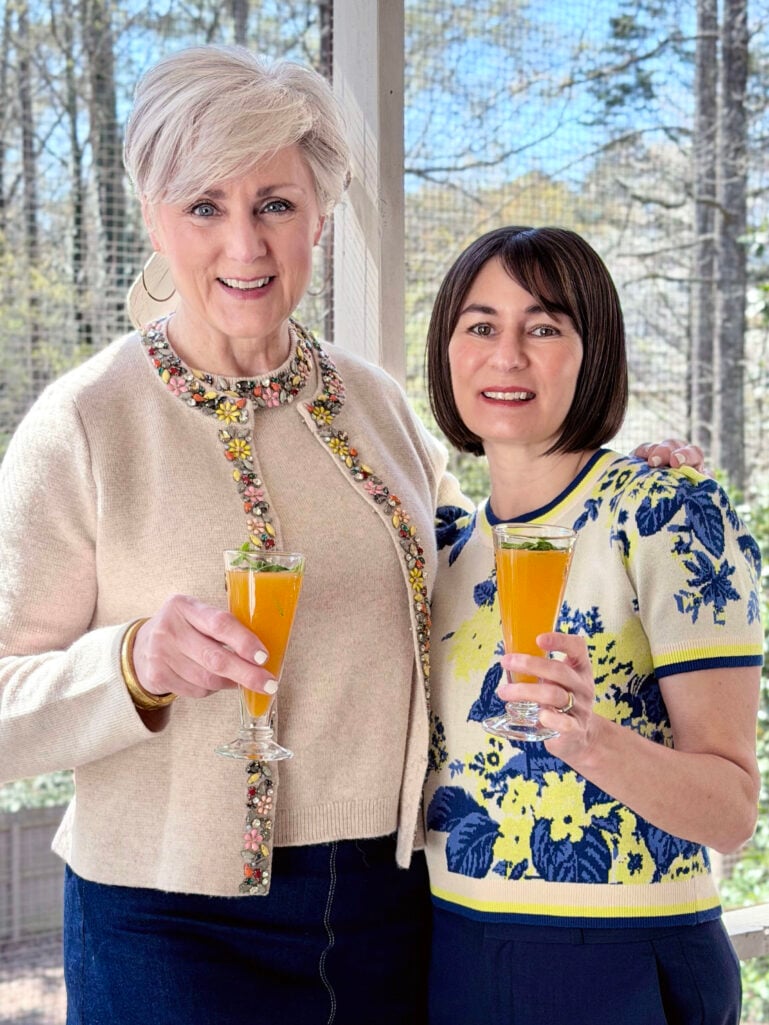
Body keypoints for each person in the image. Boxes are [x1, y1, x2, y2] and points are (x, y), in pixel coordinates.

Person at [0, 45, 703, 1023]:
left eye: (275, 204)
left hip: (389, 906)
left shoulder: (372, 404)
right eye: (205, 205)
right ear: (154, 215)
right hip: (168, 925)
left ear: (318, 218)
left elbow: (484, 564)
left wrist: (615, 489)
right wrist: (131, 662)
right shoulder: (81, 424)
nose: (245, 244)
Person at [423, 226, 763, 1025]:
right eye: (479, 326)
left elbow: (731, 808)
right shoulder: (440, 548)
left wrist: (589, 738)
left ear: (593, 351)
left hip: (619, 960)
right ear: (446, 351)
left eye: (543, 327)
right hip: (450, 950)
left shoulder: (666, 512)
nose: (506, 355)